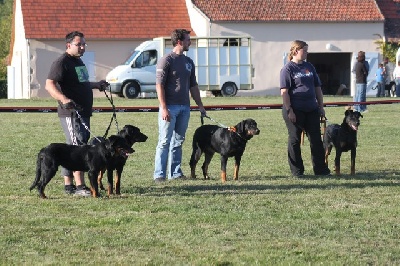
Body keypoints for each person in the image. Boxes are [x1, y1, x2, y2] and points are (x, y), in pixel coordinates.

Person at [45, 31, 109, 196]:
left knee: (81, 143)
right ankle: (77, 187)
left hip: (83, 112)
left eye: (84, 44)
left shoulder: (78, 61)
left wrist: (97, 85)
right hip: (71, 113)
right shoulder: (61, 62)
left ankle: (72, 186)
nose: (82, 47)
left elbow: (82, 83)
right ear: (68, 45)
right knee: (76, 147)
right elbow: (49, 85)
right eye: (79, 44)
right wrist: (63, 99)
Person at [153, 29, 206, 183]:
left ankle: (175, 173)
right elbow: (159, 85)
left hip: (184, 108)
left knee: (178, 141)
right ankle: (159, 174)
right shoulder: (166, 60)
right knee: (164, 141)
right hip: (170, 107)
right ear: (179, 41)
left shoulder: (189, 62)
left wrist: (200, 106)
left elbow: (193, 86)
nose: (190, 42)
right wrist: (164, 107)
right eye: (188, 39)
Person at [280, 40, 330, 177]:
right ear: (296, 51)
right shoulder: (287, 69)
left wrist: (321, 106)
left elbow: (317, 88)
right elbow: (284, 92)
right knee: (295, 139)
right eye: (305, 50)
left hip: (311, 109)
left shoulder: (309, 67)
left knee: (316, 140)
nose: (307, 53)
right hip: (295, 110)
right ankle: (297, 171)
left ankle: (321, 170)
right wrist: (289, 110)